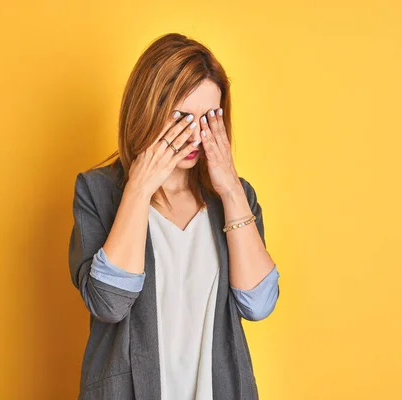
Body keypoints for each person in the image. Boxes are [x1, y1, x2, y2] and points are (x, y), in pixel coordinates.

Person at [68, 33, 280, 400]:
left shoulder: (236, 198)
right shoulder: (98, 192)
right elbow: (109, 303)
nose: (195, 135)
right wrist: (139, 188)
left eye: (210, 117)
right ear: (147, 109)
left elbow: (258, 304)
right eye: (181, 117)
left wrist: (229, 188)